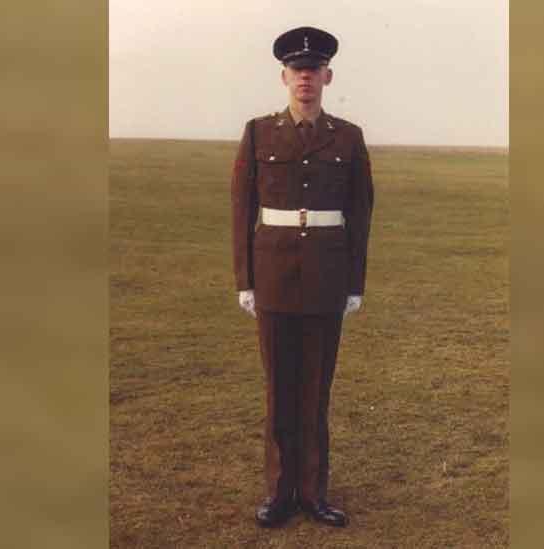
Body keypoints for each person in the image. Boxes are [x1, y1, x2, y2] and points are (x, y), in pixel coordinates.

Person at [230, 26, 374, 528]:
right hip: (272, 273)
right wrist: (244, 280)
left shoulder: (348, 137)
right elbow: (242, 208)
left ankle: (313, 493)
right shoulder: (258, 132)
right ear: (284, 77)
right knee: (278, 390)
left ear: (327, 77)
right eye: (298, 71)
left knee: (315, 389)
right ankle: (278, 492)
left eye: (314, 71)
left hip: (326, 277)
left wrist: (355, 283)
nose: (306, 79)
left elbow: (361, 213)